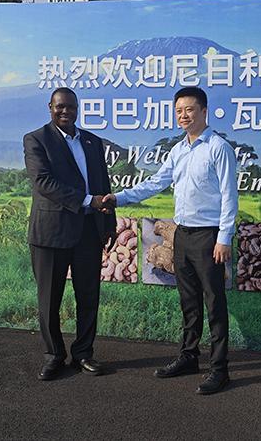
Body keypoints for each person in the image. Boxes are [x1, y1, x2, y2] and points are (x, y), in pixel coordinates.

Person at [102, 86, 238, 395]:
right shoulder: (178, 150)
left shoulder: (218, 148)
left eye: (189, 110)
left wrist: (224, 238)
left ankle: (220, 369)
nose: (183, 116)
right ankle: (189, 357)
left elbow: (230, 196)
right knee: (189, 302)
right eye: (179, 111)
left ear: (204, 111)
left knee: (214, 304)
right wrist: (119, 198)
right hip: (182, 235)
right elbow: (156, 182)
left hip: (208, 237)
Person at [24, 87, 116, 381]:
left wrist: (109, 223)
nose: (66, 111)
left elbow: (102, 184)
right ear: (50, 107)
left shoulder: (92, 141)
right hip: (50, 233)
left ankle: (83, 353)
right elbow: (43, 183)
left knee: (88, 296)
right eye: (60, 106)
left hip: (88, 232)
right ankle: (54, 355)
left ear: (78, 109)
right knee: (49, 299)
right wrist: (89, 201)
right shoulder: (36, 139)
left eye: (71, 107)